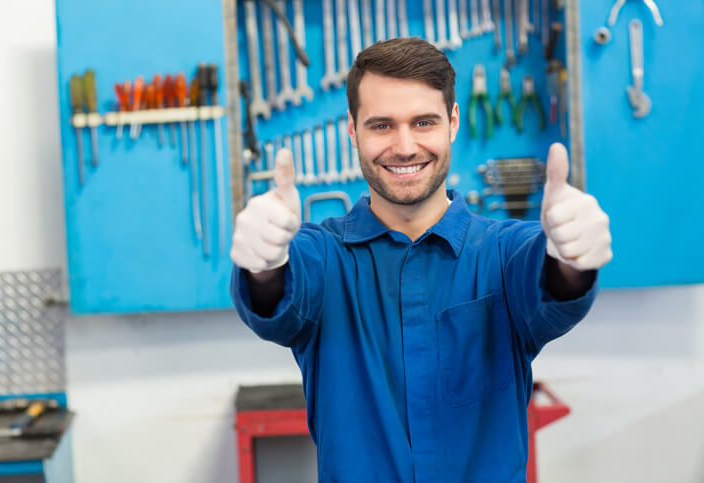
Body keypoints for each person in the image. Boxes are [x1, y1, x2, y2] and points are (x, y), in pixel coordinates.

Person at [230, 37, 612, 482]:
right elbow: (278, 293)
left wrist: (571, 257)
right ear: (352, 130)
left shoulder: (504, 253)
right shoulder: (325, 257)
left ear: (453, 122)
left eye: (424, 122)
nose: (405, 146)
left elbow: (550, 282)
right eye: (382, 126)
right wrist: (264, 264)